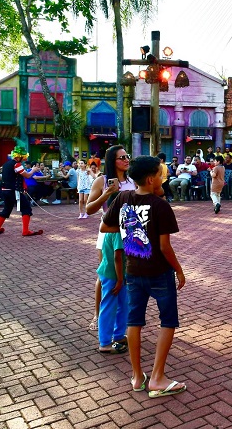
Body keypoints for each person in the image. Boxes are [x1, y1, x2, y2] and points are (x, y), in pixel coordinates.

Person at [100, 156, 187, 398]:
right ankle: (157, 377)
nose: (163, 179)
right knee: (168, 321)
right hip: (159, 273)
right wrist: (179, 270)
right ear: (151, 179)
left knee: (134, 322)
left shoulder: (123, 197)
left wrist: (130, 228)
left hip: (133, 271)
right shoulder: (161, 206)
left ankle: (138, 377)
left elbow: (105, 226)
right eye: (160, 175)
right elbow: (165, 247)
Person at [86, 145, 136, 330]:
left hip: (129, 233)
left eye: (127, 156)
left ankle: (123, 319)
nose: (126, 160)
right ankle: (97, 315)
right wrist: (106, 194)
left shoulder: (133, 181)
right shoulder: (102, 181)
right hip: (108, 232)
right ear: (111, 161)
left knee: (128, 273)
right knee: (106, 274)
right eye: (121, 157)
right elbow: (89, 209)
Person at [0, 146, 42, 236]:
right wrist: (33, 170)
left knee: (7, 209)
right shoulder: (17, 165)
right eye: (23, 157)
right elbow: (27, 175)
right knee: (26, 208)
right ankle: (25, 231)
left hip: (5, 190)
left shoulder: (6, 164)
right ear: (19, 156)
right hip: (13, 191)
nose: (24, 159)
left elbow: (14, 177)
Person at [96, 230, 128, 354]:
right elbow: (117, 257)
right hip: (112, 275)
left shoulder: (120, 229)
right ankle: (104, 342)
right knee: (109, 306)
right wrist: (119, 280)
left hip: (119, 274)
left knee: (124, 304)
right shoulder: (117, 231)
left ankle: (119, 335)